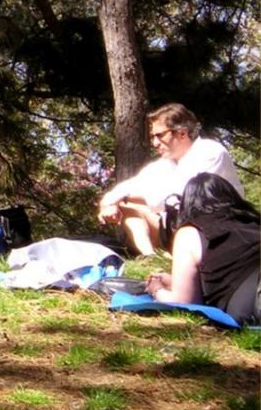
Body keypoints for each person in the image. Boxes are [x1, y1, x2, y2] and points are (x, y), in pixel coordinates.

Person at [98, 103, 243, 256]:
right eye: (153, 137)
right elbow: (125, 188)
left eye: (160, 135)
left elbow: (178, 197)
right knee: (127, 207)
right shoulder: (164, 164)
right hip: (180, 232)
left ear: (182, 133)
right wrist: (108, 204)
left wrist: (123, 197)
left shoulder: (211, 152)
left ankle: (179, 260)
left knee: (128, 201)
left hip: (218, 235)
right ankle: (151, 258)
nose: (154, 143)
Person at [144, 173, 259, 324]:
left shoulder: (190, 232)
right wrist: (177, 282)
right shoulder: (253, 223)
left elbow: (184, 303)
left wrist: (156, 289)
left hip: (251, 301)